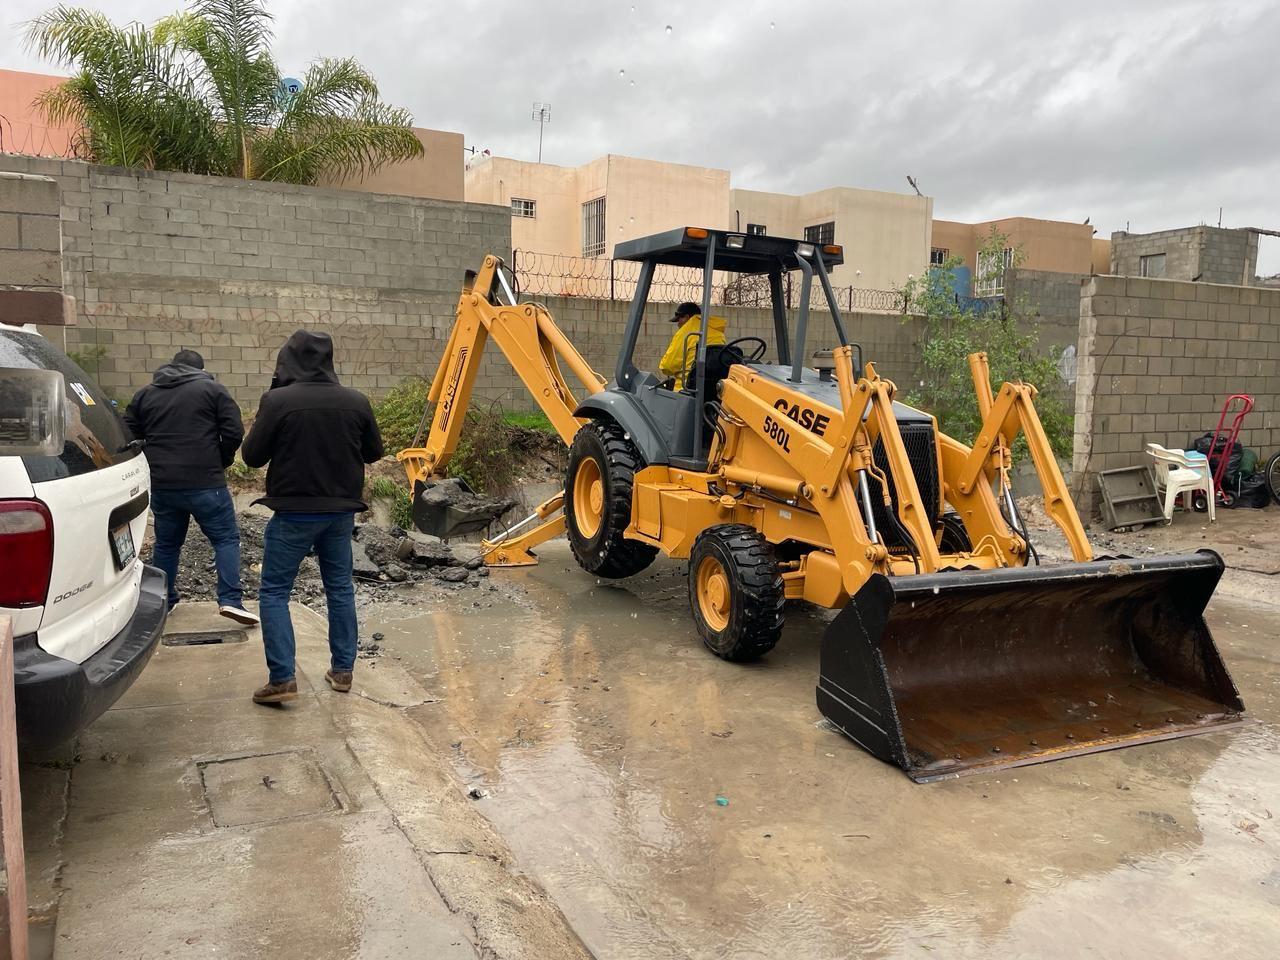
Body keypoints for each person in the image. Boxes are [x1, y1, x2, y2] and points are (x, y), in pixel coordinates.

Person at [241, 330, 384, 705]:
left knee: (274, 591)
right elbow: (373, 453)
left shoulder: (278, 401)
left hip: (293, 514)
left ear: (288, 359)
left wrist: (273, 398)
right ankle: (342, 671)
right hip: (339, 514)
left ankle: (283, 679)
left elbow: (252, 457)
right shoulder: (356, 401)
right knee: (339, 589)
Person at [123, 349, 257, 625]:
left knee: (168, 544)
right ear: (200, 369)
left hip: (164, 484)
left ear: (171, 366)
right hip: (205, 481)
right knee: (225, 539)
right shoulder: (213, 390)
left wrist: (152, 458)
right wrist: (221, 459)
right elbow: (233, 431)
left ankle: (163, 601)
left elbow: (128, 433)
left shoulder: (145, 394)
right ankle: (230, 600)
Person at [658, 301, 727, 390]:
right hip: (712, 390)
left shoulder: (686, 332)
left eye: (679, 319)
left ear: (687, 317)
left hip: (686, 389)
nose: (678, 324)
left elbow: (668, 366)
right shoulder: (719, 334)